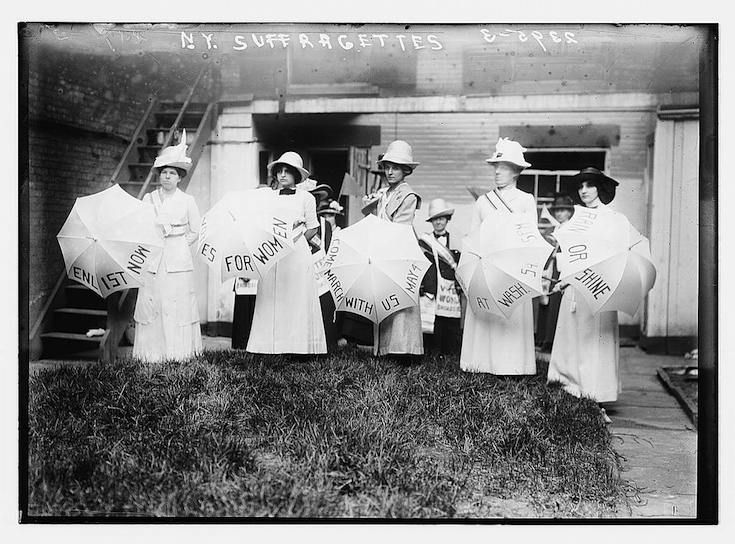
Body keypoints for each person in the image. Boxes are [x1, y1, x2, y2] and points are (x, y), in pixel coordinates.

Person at [547, 167, 641, 424]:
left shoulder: (614, 219)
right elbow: (568, 253)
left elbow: (622, 249)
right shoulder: (576, 218)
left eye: (589, 185)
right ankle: (570, 387)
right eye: (581, 187)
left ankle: (595, 395)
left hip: (600, 285)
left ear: (600, 188)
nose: (584, 191)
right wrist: (564, 279)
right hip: (576, 286)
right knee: (573, 336)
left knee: (595, 339)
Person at [460, 137, 537, 375]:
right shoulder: (484, 201)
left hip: (514, 268)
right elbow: (473, 237)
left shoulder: (525, 200)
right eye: (496, 167)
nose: (497, 172)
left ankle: (512, 366)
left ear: (516, 171)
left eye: (503, 167)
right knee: (486, 317)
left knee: (511, 317)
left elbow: (530, 238)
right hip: (487, 267)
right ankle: (482, 364)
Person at [246, 151, 327, 354]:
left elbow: (313, 227)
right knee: (273, 297)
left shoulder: (306, 198)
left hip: (297, 253)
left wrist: (297, 241)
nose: (282, 175)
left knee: (296, 296)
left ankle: (298, 346)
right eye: (279, 171)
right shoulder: (269, 197)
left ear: (296, 175)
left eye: (287, 172)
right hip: (273, 253)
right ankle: (269, 345)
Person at [132, 131, 203, 362]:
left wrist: (179, 242)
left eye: (172, 173)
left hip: (178, 260)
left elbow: (196, 230)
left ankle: (179, 354)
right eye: (164, 173)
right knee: (153, 303)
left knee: (178, 304)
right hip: (154, 259)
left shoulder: (187, 201)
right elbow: (141, 228)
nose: (167, 177)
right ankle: (151, 355)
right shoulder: (149, 199)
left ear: (179, 177)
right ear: (159, 175)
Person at [362, 140, 424, 357]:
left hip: (400, 251)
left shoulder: (407, 196)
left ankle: (404, 349)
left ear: (406, 170)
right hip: (383, 250)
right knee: (385, 297)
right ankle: (386, 348)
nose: (389, 172)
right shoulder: (384, 194)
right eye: (387, 167)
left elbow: (401, 229)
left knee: (401, 301)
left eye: (395, 167)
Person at [418, 198, 462, 356]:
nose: (438, 222)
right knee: (432, 326)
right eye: (435, 219)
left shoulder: (456, 242)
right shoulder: (424, 243)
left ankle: (450, 356)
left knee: (450, 324)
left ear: (447, 220)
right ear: (431, 222)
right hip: (432, 288)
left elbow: (459, 266)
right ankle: (431, 356)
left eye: (441, 218)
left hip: (450, 290)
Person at [537, 193, 575, 352]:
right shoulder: (553, 229)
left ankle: (552, 341)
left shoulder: (571, 229)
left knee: (557, 304)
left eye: (563, 210)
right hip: (551, 268)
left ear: (569, 212)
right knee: (545, 301)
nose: (559, 213)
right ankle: (542, 338)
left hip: (563, 269)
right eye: (557, 210)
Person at [312, 199, 344, 351]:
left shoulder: (324, 226)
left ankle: (327, 345)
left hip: (321, 274)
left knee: (326, 308)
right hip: (303, 271)